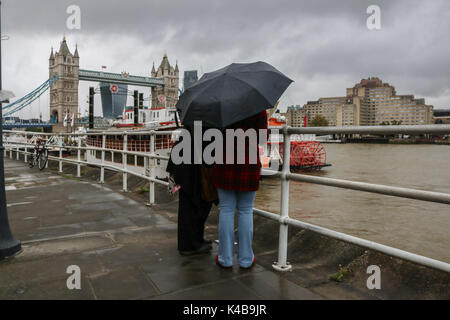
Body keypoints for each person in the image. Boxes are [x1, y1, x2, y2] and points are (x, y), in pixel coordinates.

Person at [212, 110, 268, 268]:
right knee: (246, 210)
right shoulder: (258, 108)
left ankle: (225, 259)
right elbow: (263, 139)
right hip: (248, 163)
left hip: (224, 161)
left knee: (226, 210)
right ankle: (245, 260)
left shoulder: (220, 107)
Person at [166, 126, 214, 255]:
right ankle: (192, 245)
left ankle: (191, 242)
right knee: (199, 207)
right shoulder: (206, 126)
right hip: (195, 174)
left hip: (184, 172)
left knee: (187, 208)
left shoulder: (189, 126)